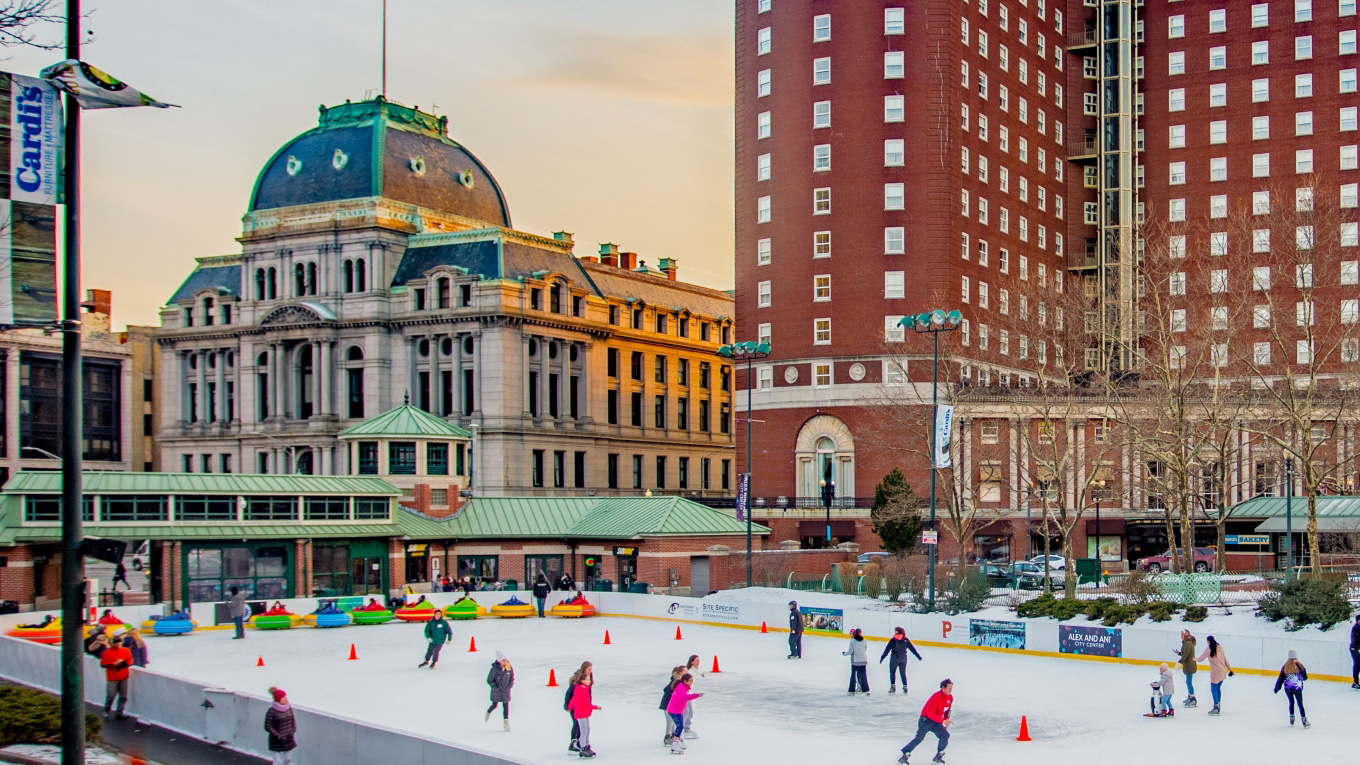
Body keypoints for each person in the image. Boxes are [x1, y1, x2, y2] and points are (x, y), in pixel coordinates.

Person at [898, 678, 954, 764]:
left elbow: (947, 710)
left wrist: (946, 720)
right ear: (943, 688)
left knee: (945, 735)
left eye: (951, 688)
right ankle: (904, 754)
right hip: (925, 721)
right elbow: (930, 713)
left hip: (936, 722)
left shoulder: (950, 698)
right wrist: (942, 721)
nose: (951, 690)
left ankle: (939, 755)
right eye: (949, 688)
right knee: (919, 738)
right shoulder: (935, 697)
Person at [666, 672, 705, 755]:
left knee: (680, 726)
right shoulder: (681, 687)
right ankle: (675, 744)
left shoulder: (683, 687)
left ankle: (677, 743)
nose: (691, 682)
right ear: (685, 681)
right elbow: (686, 697)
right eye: (690, 680)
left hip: (677, 710)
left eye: (692, 680)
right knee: (680, 726)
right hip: (674, 710)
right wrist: (698, 695)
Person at [567, 664, 601, 758]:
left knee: (586, 729)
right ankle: (581, 747)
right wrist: (568, 707)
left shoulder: (585, 688)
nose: (590, 681)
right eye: (588, 680)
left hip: (584, 711)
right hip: (580, 711)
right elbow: (573, 697)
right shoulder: (579, 688)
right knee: (582, 729)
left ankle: (585, 746)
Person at [1196, 634, 1233, 716]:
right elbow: (1225, 659)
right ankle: (1218, 704)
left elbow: (1200, 659)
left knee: (1213, 689)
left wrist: (1194, 659)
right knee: (1218, 688)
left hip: (1216, 672)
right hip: (1223, 671)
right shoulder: (1219, 646)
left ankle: (1216, 707)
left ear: (1208, 641)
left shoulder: (1208, 648)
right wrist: (1230, 669)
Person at [880, 626, 923, 694]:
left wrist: (882, 657)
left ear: (897, 631)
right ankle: (905, 686)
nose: (894, 632)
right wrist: (918, 656)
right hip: (903, 659)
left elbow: (887, 650)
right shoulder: (905, 639)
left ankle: (893, 687)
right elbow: (912, 649)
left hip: (894, 659)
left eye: (895, 631)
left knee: (892, 672)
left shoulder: (893, 640)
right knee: (903, 673)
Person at [1273, 649, 1309, 728]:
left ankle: (1291, 718)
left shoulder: (1285, 666)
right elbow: (1305, 677)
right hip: (1297, 688)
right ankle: (1304, 720)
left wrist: (1277, 688)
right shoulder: (1299, 665)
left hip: (1288, 689)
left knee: (1291, 702)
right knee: (1300, 704)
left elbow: (1280, 678)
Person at [100, 634, 133, 719]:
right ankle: (107, 709)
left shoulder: (126, 651)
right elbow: (103, 664)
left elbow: (130, 662)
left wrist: (122, 663)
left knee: (123, 696)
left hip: (123, 676)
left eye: (119, 644)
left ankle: (120, 712)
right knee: (111, 695)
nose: (118, 646)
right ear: (112, 644)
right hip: (112, 677)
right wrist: (113, 664)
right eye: (116, 644)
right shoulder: (106, 652)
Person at [264, 687, 297, 765]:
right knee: (277, 760)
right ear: (278, 699)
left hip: (288, 738)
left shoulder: (288, 708)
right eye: (283, 697)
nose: (286, 699)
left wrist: (293, 730)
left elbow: (292, 719)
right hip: (276, 740)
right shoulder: (271, 711)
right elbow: (267, 725)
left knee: (288, 759)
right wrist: (278, 735)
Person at [565, 661, 592, 753]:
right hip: (575, 706)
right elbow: (570, 693)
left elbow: (588, 692)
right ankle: (574, 743)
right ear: (584, 668)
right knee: (577, 724)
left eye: (591, 669)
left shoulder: (588, 677)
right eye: (588, 669)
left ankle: (581, 743)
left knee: (583, 726)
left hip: (582, 706)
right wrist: (567, 705)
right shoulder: (578, 679)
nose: (590, 671)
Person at [485, 650, 515, 731]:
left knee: (506, 706)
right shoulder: (494, 669)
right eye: (503, 660)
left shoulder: (509, 668)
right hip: (497, 691)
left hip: (505, 691)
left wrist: (510, 685)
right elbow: (489, 680)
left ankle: (506, 722)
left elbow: (512, 677)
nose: (505, 661)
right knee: (495, 705)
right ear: (499, 661)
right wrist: (495, 687)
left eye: (505, 659)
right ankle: (489, 711)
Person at [659, 665, 685, 746]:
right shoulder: (674, 681)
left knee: (673, 722)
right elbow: (666, 689)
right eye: (685, 671)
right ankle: (667, 737)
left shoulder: (678, 681)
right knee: (670, 722)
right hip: (667, 705)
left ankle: (673, 735)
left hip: (672, 705)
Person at [682, 655, 704, 738]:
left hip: (688, 693)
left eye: (699, 660)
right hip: (686, 693)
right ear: (691, 662)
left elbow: (696, 670)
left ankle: (686, 727)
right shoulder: (689, 672)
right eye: (696, 661)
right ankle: (684, 729)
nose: (698, 662)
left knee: (689, 712)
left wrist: (701, 673)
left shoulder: (693, 670)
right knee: (687, 712)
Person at [1175, 630, 1198, 708]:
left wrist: (1179, 662)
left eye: (1182, 634)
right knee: (1188, 681)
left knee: (1188, 682)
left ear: (1186, 635)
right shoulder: (1186, 642)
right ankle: (1190, 696)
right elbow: (1185, 653)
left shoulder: (1188, 643)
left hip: (1189, 665)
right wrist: (1179, 653)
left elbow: (1186, 655)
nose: (1181, 635)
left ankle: (1192, 698)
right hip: (1188, 664)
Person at [844, 628, 870, 695]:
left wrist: (844, 653)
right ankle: (866, 690)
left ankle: (851, 691)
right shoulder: (864, 641)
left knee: (853, 675)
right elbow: (864, 649)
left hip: (855, 661)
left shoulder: (853, 641)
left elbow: (850, 651)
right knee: (863, 675)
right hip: (863, 660)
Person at [1350, 614, 1360, 689]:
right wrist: (1354, 647)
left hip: (1357, 648)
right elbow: (1355, 639)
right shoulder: (1356, 628)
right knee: (1357, 664)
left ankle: (1355, 681)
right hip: (1355, 648)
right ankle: (1355, 682)